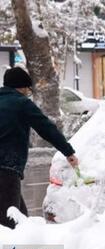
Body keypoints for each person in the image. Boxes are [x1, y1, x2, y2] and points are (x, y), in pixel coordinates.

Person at [0, 67, 78, 229]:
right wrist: (68, 151)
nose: (28, 93)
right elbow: (46, 128)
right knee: (11, 224)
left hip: (7, 171)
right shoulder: (21, 103)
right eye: (28, 89)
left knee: (21, 219)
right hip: (6, 168)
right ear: (21, 87)